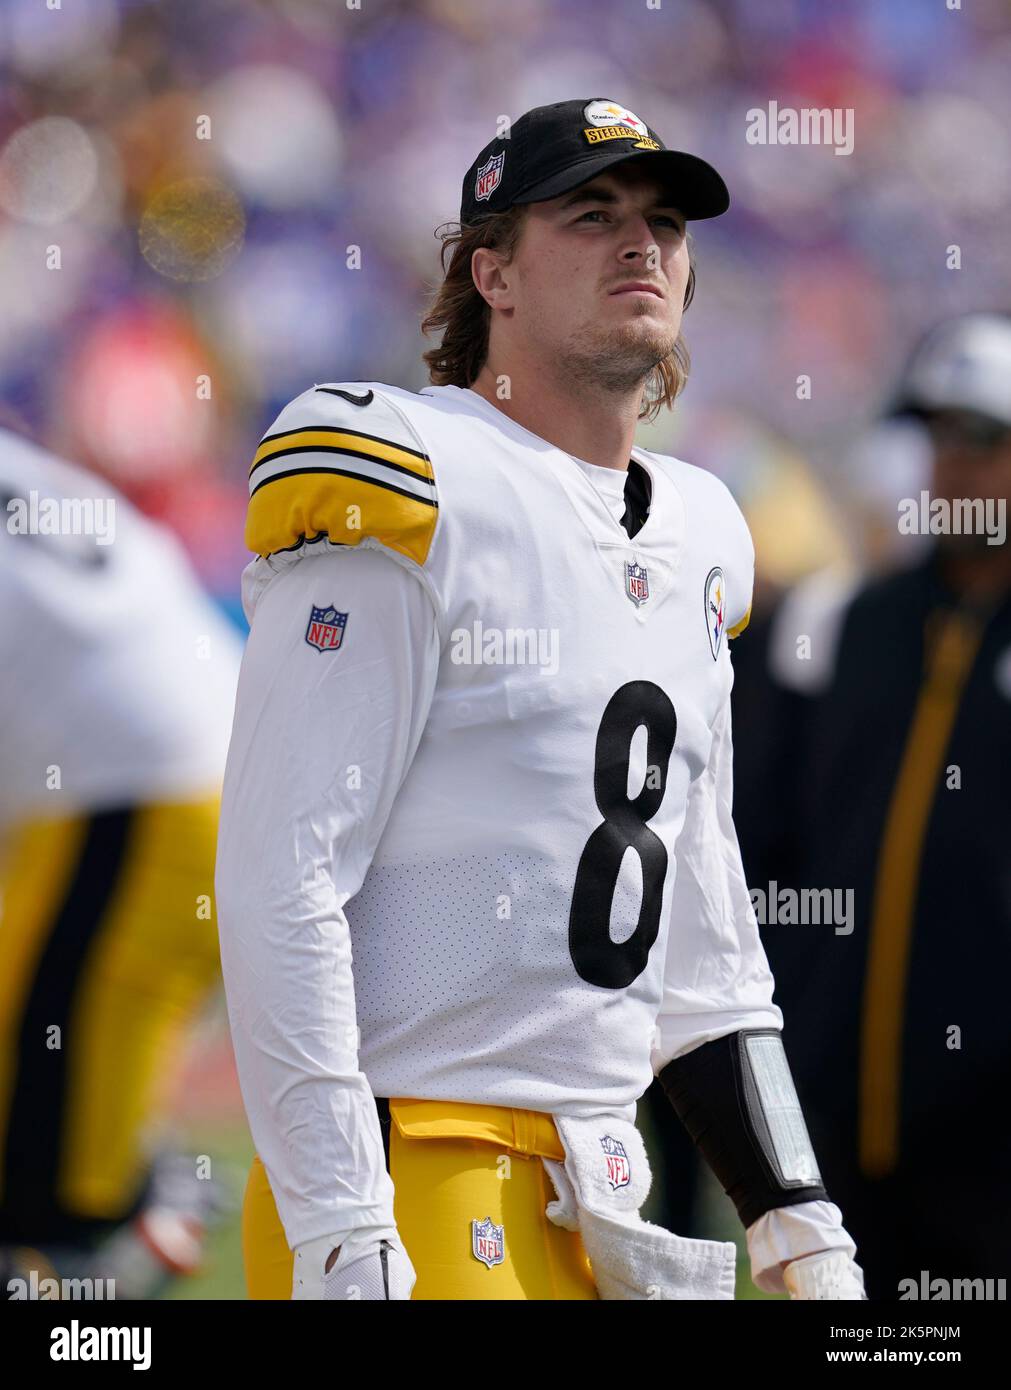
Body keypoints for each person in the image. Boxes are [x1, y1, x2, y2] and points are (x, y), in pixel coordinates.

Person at [216, 98, 865, 1301]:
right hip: (420, 1166)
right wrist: (341, 1219)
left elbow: (705, 936)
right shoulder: (410, 470)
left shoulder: (701, 530)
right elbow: (280, 871)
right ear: (492, 272)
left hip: (606, 1184)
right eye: (591, 215)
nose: (642, 244)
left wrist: (798, 1212)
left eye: (664, 221)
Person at [733, 312, 1011, 1300]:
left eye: (984, 437)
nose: (956, 464)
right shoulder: (843, 626)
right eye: (939, 433)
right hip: (839, 1124)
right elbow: (759, 846)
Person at [0, 428, 242, 1298]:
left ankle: (136, 1225)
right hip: (165, 775)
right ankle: (148, 1199)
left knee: (46, 1219)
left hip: (135, 803)